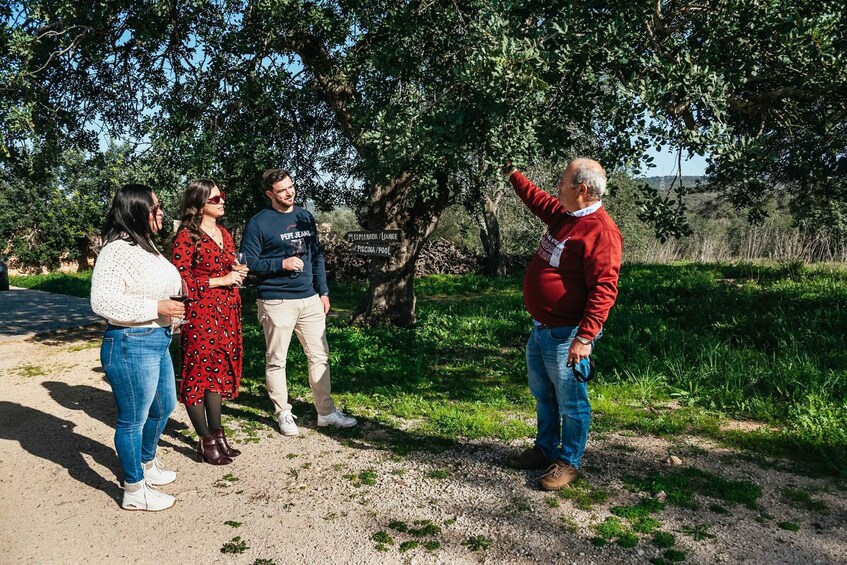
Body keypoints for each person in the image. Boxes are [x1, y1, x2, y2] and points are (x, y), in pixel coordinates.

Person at [503, 159, 623, 491]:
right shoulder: (566, 216)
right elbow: (537, 199)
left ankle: (569, 461)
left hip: (568, 333)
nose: (557, 186)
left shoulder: (602, 232)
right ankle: (544, 449)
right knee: (543, 395)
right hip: (542, 327)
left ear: (581, 190)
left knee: (571, 401)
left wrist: (585, 337)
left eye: (563, 182)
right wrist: (513, 174)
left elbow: (604, 289)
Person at [240, 168, 356, 435]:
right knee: (276, 359)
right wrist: (280, 263)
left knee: (319, 356)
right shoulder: (259, 223)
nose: (289, 192)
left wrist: (323, 292)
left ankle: (326, 412)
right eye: (282, 190)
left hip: (309, 299)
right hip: (276, 301)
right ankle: (283, 412)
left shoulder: (304, 216)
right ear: (270, 193)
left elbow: (316, 256)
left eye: (290, 187)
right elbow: (248, 262)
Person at [90, 184, 184, 511]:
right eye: (155, 207)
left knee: (164, 406)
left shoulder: (146, 246)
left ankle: (146, 463)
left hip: (158, 339)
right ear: (136, 210)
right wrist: (156, 307)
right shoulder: (116, 250)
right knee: (133, 419)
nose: (160, 212)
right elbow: (102, 301)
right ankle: (134, 489)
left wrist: (171, 313)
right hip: (130, 342)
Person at [171, 179, 247, 465]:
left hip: (226, 311)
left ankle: (217, 433)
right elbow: (181, 281)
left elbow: (227, 269)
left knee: (216, 372)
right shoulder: (187, 236)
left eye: (222, 196)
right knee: (196, 375)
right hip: (201, 313)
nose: (221, 201)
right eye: (216, 198)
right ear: (200, 203)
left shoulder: (225, 234)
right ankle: (204, 440)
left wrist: (237, 272)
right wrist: (221, 280)